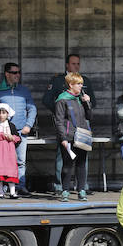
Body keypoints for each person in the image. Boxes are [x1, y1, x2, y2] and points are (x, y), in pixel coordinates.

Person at [43, 54, 97, 194]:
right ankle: (60, 186)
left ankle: (82, 187)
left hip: (82, 125)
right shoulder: (58, 80)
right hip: (67, 126)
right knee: (65, 158)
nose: (76, 66)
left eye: (78, 64)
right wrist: (61, 112)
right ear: (67, 65)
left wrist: (87, 104)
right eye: (73, 64)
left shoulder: (86, 81)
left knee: (82, 158)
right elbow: (47, 99)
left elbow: (93, 102)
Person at [0, 62, 36, 194]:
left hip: (20, 131)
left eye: (19, 72)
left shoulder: (24, 90)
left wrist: (28, 125)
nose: (17, 75)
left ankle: (20, 187)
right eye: (14, 73)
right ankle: (6, 188)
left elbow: (32, 108)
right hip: (4, 133)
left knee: (20, 161)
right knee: (4, 161)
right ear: (7, 74)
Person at [53, 72, 92, 202]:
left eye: (81, 83)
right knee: (67, 165)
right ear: (71, 85)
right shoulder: (62, 99)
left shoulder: (80, 99)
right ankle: (65, 190)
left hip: (82, 136)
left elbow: (89, 117)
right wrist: (63, 138)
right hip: (69, 136)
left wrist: (87, 103)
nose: (81, 86)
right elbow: (59, 121)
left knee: (81, 164)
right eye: (78, 84)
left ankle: (81, 190)